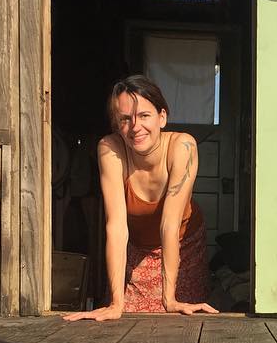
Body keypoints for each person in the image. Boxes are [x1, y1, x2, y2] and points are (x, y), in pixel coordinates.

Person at [64, 76, 218, 320]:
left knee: (179, 320)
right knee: (126, 316)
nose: (135, 126)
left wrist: (169, 299)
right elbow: (116, 227)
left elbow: (169, 224)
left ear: (162, 117)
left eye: (144, 116)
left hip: (181, 245)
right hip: (137, 248)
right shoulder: (110, 148)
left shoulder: (183, 146)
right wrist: (116, 302)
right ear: (117, 124)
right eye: (125, 119)